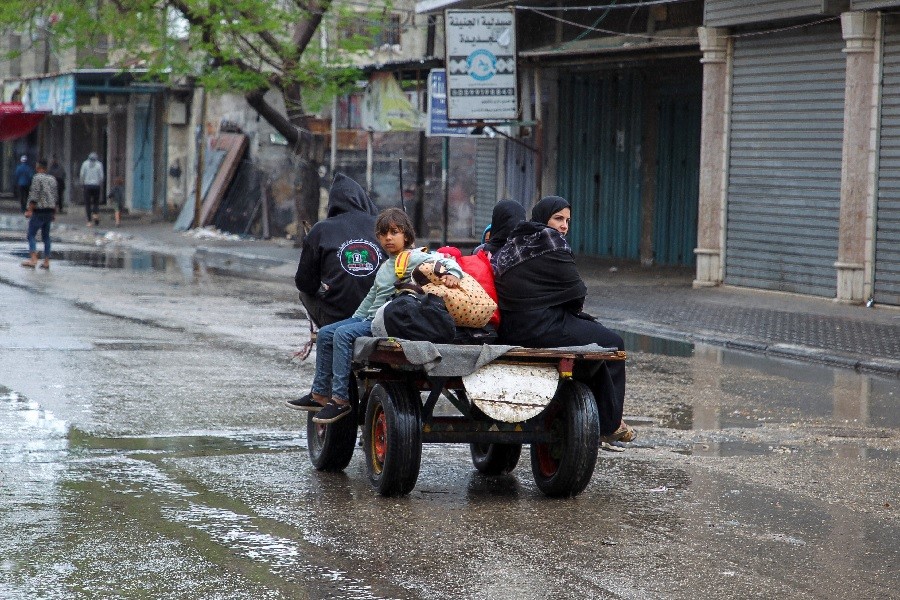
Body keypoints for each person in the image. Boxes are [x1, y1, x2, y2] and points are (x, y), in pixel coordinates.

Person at [293, 208, 463, 424]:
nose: (388, 238)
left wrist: (452, 275)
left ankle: (340, 400)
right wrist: (354, 320)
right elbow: (370, 298)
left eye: (394, 232)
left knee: (343, 336)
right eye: (383, 234)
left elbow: (445, 261)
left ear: (407, 235)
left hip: (387, 322)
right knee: (327, 333)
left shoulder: (412, 257)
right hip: (370, 318)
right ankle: (319, 394)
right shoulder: (386, 265)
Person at [492, 195, 634, 444]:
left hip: (510, 330)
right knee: (613, 344)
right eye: (558, 218)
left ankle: (591, 413)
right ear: (543, 219)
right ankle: (611, 424)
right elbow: (577, 292)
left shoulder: (511, 245)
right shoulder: (551, 240)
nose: (564, 226)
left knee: (594, 336)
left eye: (567, 220)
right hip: (544, 327)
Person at [294, 173, 383, 328]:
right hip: (379, 315)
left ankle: (329, 331)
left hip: (336, 317)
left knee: (305, 295)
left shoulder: (320, 230)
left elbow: (304, 284)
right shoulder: (383, 227)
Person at [20, 159, 58, 270]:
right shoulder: (52, 179)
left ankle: (33, 258)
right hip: (49, 211)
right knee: (46, 236)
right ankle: (46, 261)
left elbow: (34, 195)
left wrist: (29, 210)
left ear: (39, 168)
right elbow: (55, 197)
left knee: (31, 234)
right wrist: (54, 212)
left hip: (39, 210)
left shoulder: (37, 178)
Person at [79, 152, 104, 227]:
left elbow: (82, 175)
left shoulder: (85, 164)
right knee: (96, 202)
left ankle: (89, 221)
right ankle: (95, 215)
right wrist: (100, 184)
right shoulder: (99, 164)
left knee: (88, 203)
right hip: (96, 186)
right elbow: (101, 176)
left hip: (87, 186)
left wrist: (82, 183)